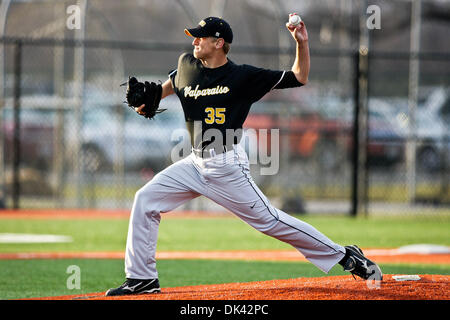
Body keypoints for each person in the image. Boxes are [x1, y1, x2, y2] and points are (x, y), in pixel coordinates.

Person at [106, 16, 382, 296]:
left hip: (227, 166)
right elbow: (164, 91)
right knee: (145, 200)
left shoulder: (243, 77)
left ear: (219, 42)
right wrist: (147, 99)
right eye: (195, 36)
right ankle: (142, 279)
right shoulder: (186, 66)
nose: (195, 41)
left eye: (201, 37)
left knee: (271, 222)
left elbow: (300, 76)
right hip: (194, 163)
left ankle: (345, 255)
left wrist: (302, 42)